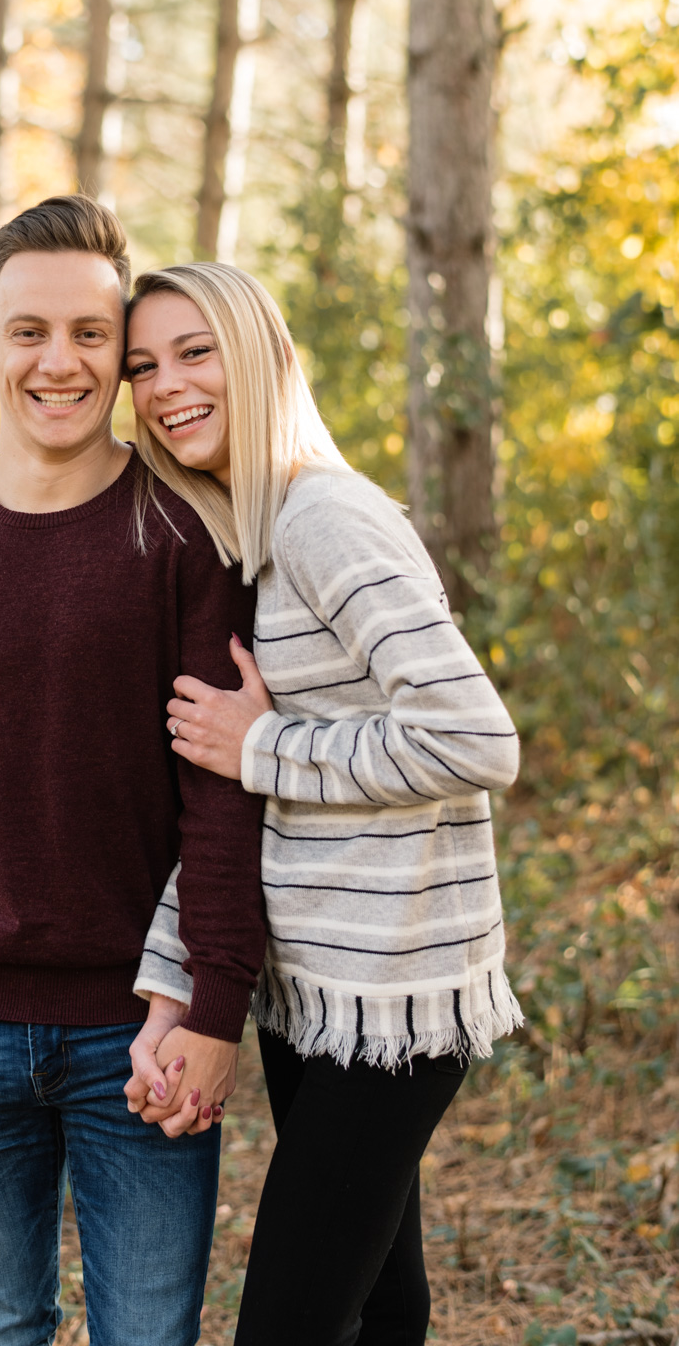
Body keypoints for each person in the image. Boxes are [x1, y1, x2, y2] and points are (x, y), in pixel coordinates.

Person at [0, 200, 267, 1346]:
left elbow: (221, 794)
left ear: (119, 357)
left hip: (142, 1031)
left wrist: (212, 1002)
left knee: (147, 1334)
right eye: (27, 330)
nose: (57, 360)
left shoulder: (187, 536)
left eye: (88, 333)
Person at [122, 261, 523, 1346]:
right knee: (379, 1309)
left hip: (388, 993)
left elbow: (474, 737)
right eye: (142, 366)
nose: (165, 386)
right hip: (316, 987)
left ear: (258, 353)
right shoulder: (251, 535)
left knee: (289, 1325)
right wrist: (170, 986)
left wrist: (266, 744)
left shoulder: (321, 515)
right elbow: (228, 804)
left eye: (193, 351)